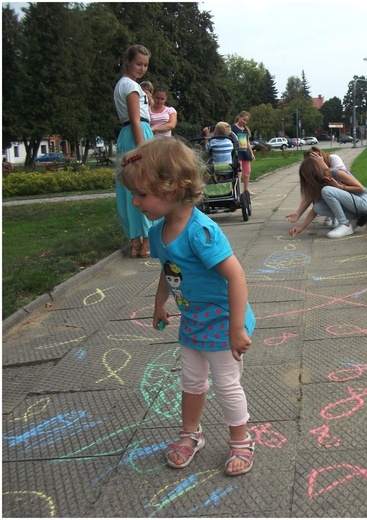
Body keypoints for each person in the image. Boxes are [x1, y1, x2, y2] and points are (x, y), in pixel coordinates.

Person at [119, 137, 256, 477]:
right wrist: (159, 304)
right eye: (133, 194)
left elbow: (236, 277)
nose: (135, 202)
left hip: (224, 323)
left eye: (141, 194)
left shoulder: (201, 233)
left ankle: (241, 440)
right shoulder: (159, 231)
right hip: (194, 322)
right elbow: (170, 271)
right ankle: (190, 434)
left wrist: (236, 327)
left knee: (226, 384)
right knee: (192, 383)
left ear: (171, 188)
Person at [113, 44, 158, 258]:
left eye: (145, 65)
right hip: (137, 133)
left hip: (128, 134)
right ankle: (147, 242)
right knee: (143, 186)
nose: (142, 68)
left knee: (129, 188)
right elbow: (135, 119)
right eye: (138, 63)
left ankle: (135, 244)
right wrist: (143, 149)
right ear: (128, 61)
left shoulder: (123, 84)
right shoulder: (131, 86)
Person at [286, 155, 367, 239]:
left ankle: (344, 224)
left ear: (314, 171)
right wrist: (301, 228)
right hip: (353, 206)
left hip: (362, 202)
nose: (307, 180)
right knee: (318, 207)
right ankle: (354, 219)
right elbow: (313, 209)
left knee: (327, 190)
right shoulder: (319, 182)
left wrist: (340, 187)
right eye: (305, 178)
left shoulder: (335, 172)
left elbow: (361, 189)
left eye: (308, 176)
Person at [301, 146, 345, 227]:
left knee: (328, 189)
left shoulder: (333, 158)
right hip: (328, 191)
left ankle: (339, 217)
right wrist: (298, 213)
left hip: (341, 189)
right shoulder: (313, 168)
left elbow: (336, 178)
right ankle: (330, 214)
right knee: (318, 190)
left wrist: (323, 164)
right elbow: (309, 194)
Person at [231, 111, 255, 195]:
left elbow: (247, 142)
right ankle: (238, 190)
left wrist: (251, 153)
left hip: (245, 152)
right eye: (244, 119)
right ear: (239, 117)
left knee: (247, 171)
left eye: (246, 121)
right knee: (239, 172)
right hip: (238, 153)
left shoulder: (245, 130)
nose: (245, 122)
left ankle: (246, 189)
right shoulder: (233, 128)